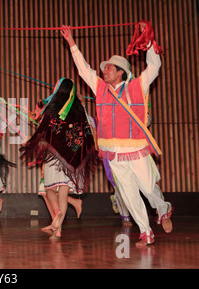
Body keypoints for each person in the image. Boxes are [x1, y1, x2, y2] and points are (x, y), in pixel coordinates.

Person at [60, 21, 173, 247]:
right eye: (104, 67)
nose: (104, 70)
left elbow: (154, 67)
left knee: (148, 187)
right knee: (129, 194)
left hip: (136, 148)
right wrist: (71, 42)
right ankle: (145, 231)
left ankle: (163, 209)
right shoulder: (100, 88)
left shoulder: (137, 87)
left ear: (121, 72)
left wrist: (149, 43)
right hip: (112, 153)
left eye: (110, 67)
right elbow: (84, 69)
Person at [21, 78, 98, 238]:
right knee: (63, 191)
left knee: (49, 189)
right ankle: (58, 229)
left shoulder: (54, 107)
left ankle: (58, 215)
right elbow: (86, 132)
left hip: (54, 155)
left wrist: (31, 143)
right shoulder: (79, 110)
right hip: (72, 157)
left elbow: (44, 132)